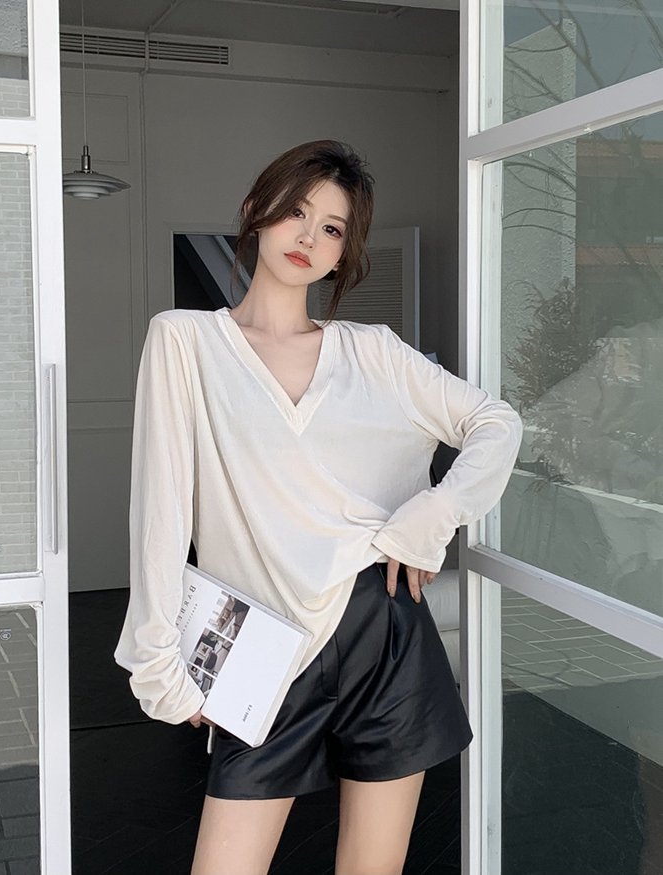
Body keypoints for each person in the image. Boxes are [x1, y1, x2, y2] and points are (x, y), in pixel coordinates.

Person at [114, 139, 523, 875]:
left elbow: (496, 423)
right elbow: (160, 515)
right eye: (296, 212)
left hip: (386, 630)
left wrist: (428, 518)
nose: (308, 236)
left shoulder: (373, 352)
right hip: (263, 645)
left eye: (332, 227)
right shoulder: (186, 340)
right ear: (255, 211)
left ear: (343, 252)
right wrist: (158, 664)